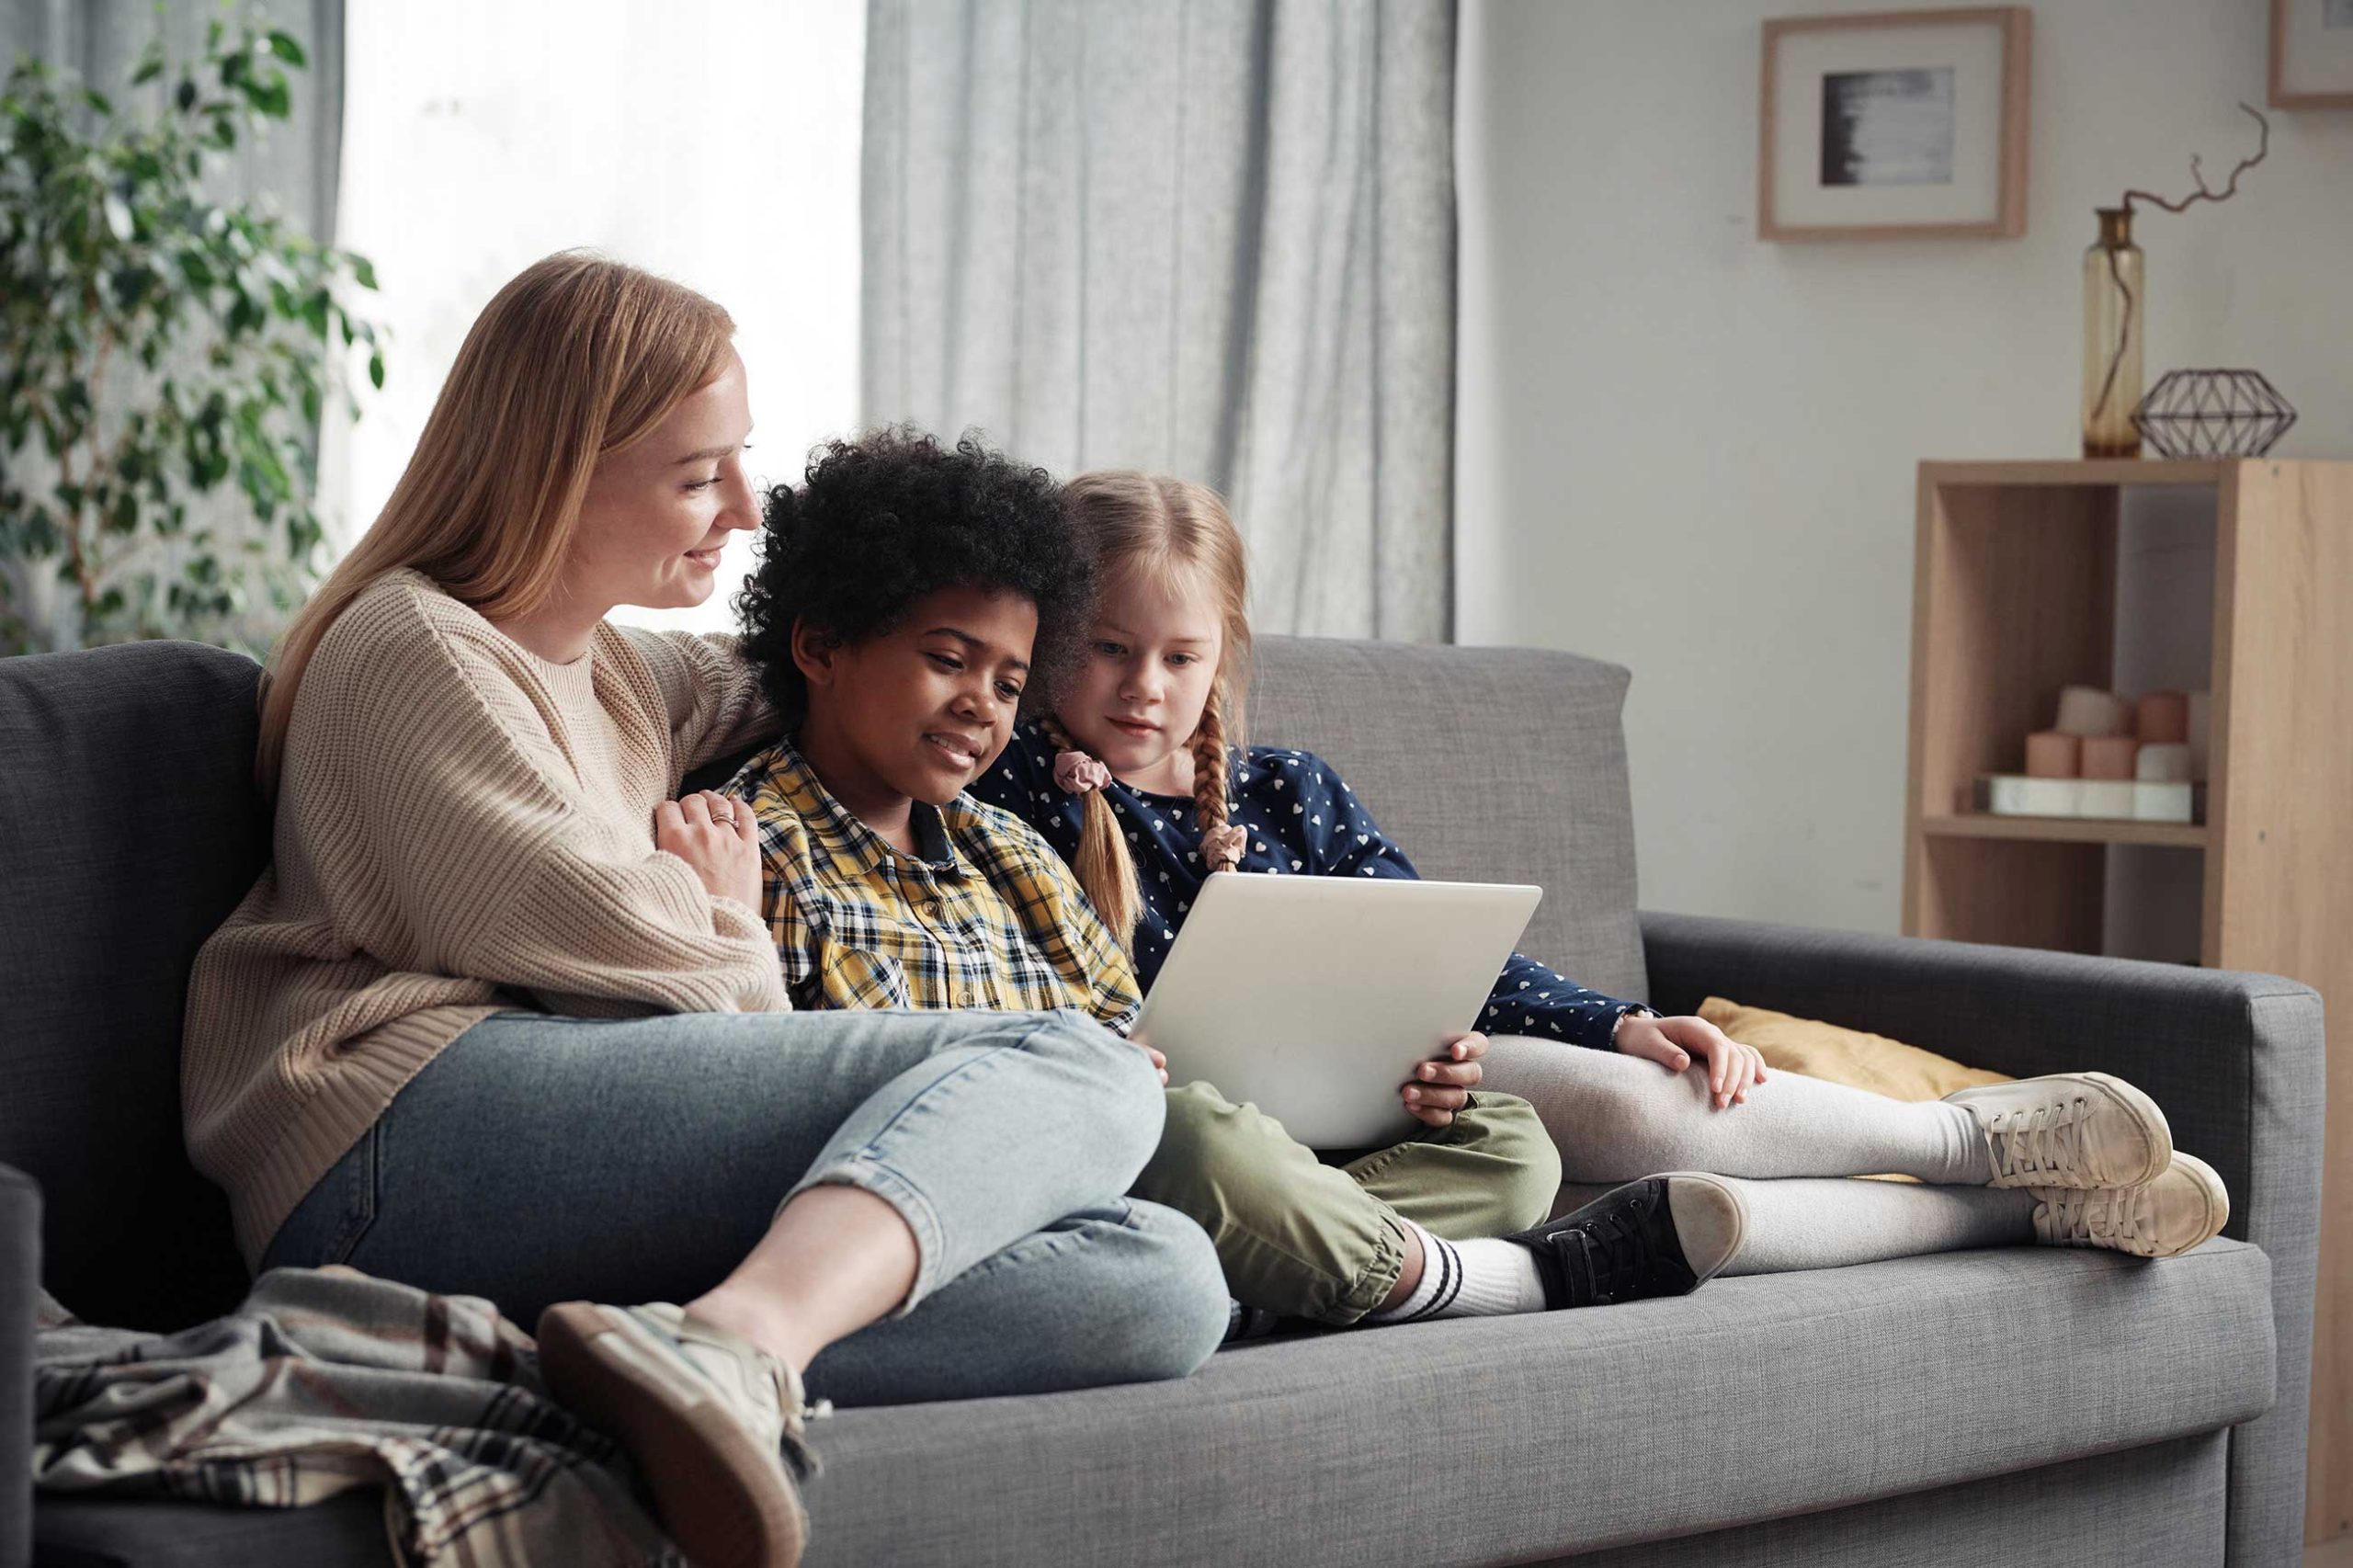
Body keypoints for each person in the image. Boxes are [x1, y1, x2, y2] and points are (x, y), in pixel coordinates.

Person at [184, 256, 1227, 1568]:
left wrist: (1097, 715)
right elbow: (645, 963)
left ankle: (639, 1353)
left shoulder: (615, 668)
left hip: (546, 1148)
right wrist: (729, 922)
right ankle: (737, 1347)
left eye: (739, 461)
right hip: (383, 1139)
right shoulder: (416, 649)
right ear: (558, 468)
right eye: (697, 474)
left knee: (1161, 1281)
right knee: (1069, 1057)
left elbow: (862, 662)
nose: (742, 503)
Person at [969, 470, 2233, 1290]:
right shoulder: (1012, 799)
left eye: (1178, 655)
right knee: (1671, 1209)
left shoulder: (1287, 786)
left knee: (1635, 1110)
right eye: (1109, 649)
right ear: (1046, 645)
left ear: (1222, 655)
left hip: (1403, 1099)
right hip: (1233, 1142)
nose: (1145, 687)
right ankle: (2013, 1205)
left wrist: (1616, 1016)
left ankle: (1987, 1152)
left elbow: (1445, 953)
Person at [721, 427, 1756, 1335]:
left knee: (1504, 1138)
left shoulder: (1002, 843)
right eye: (952, 661)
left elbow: (1125, 1033)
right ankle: (1500, 1283)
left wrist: (1585, 1024)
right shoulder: (773, 836)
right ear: (818, 645)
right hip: (1014, 1168)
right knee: (1191, 1138)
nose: (983, 710)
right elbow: (767, 1078)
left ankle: (1273, 1283)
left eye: (1005, 682)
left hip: (1168, 1131)